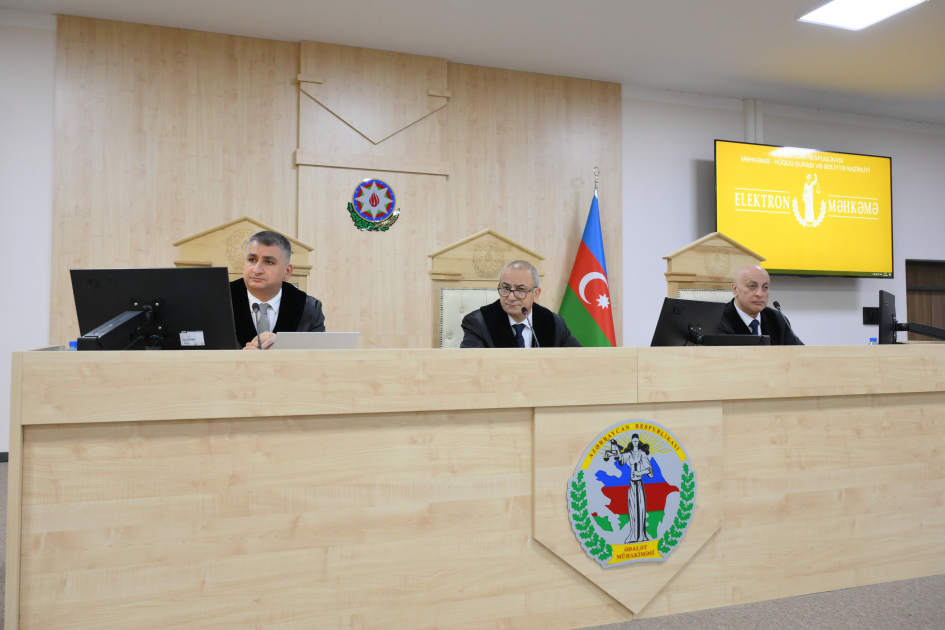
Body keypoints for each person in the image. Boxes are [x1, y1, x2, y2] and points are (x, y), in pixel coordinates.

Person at [231, 230, 325, 350]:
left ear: (287, 272)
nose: (256, 270)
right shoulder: (217, 301)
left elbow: (321, 353)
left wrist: (285, 344)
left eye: (268, 262)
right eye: (252, 260)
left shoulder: (309, 308)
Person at [459, 260, 581, 348]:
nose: (511, 297)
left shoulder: (553, 322)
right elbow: (470, 365)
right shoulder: (479, 323)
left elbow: (579, 359)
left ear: (536, 294)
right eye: (506, 288)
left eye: (521, 290)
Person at [717, 264, 804, 345]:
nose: (760, 294)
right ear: (735, 289)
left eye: (765, 287)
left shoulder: (777, 319)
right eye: (752, 286)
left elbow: (801, 352)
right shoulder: (717, 320)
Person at [617, 434, 653, 544]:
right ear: (632, 442)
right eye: (634, 441)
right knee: (632, 510)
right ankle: (633, 535)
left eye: (637, 441)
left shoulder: (642, 454)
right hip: (632, 484)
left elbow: (649, 470)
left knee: (640, 509)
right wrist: (617, 448)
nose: (635, 443)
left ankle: (641, 535)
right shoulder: (629, 454)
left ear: (639, 441)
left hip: (639, 484)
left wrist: (640, 472)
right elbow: (621, 460)